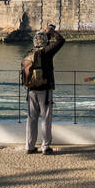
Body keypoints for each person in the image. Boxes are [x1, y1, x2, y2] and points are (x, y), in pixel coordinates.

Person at [22, 22, 65, 155]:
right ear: (45, 41)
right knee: (46, 118)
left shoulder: (28, 53)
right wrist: (51, 30)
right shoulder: (47, 52)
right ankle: (45, 147)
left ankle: (29, 146)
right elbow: (61, 40)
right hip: (45, 90)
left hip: (31, 90)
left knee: (31, 118)